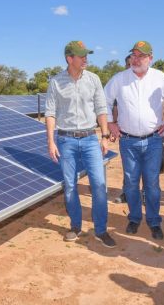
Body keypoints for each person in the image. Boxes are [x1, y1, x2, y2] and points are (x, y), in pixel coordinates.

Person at [45, 40, 116, 248]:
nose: (86, 58)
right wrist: (50, 141)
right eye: (81, 55)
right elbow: (49, 113)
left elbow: (101, 109)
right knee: (70, 186)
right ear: (70, 58)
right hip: (65, 140)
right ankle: (75, 225)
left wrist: (104, 136)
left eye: (86, 55)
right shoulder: (56, 82)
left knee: (99, 185)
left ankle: (101, 230)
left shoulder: (93, 79)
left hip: (90, 139)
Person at [104, 41, 164, 240]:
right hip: (128, 141)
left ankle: (154, 221)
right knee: (131, 183)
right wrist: (111, 123)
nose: (136, 59)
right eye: (133, 55)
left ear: (150, 58)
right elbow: (104, 101)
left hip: (153, 141)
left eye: (140, 56)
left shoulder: (161, 78)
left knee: (152, 183)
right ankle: (134, 218)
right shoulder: (119, 79)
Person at [113, 54, 144, 205]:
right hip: (126, 135)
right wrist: (113, 125)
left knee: (147, 169)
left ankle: (143, 193)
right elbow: (114, 106)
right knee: (129, 168)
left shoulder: (148, 80)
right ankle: (127, 193)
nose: (130, 65)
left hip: (148, 135)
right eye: (128, 63)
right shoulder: (120, 81)